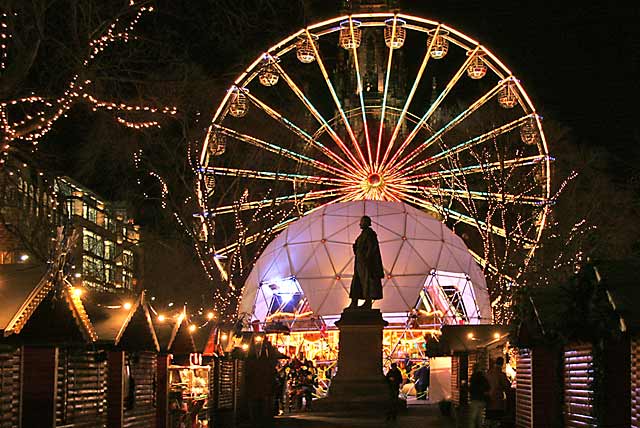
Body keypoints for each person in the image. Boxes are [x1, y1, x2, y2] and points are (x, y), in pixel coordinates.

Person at [349, 215, 384, 310]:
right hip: (360, 263)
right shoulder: (363, 234)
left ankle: (367, 302)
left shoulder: (370, 234)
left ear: (367, 223)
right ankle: (354, 302)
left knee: (366, 282)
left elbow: (372, 248)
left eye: (362, 221)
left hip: (366, 264)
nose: (360, 223)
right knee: (357, 282)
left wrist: (367, 259)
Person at [486, 357, 511, 427]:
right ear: (502, 364)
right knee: (496, 420)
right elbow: (506, 386)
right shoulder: (501, 374)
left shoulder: (489, 373)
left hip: (489, 399)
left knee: (489, 418)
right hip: (497, 399)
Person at [468, 363, 490, 428]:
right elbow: (488, 387)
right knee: (480, 418)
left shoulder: (473, 377)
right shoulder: (483, 377)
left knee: (472, 418)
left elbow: (471, 389)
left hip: (475, 399)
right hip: (481, 399)